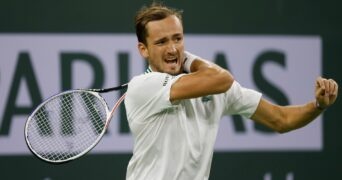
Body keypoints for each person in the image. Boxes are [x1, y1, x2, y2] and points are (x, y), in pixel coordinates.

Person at [124, 2, 339, 180]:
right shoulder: (142, 87)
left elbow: (281, 119)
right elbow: (223, 78)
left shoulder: (214, 87)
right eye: (162, 42)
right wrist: (187, 58)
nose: (172, 48)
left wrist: (318, 105)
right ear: (143, 49)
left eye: (177, 38)